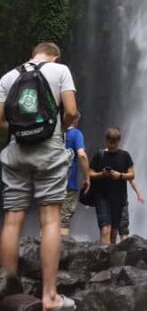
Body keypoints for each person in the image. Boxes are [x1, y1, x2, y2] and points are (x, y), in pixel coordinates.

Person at [0, 42, 78, 310]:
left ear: (33, 54)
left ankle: (8, 288)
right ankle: (50, 296)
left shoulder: (9, 77)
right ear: (55, 56)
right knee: (51, 218)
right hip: (49, 152)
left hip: (16, 151)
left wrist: (23, 130)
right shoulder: (61, 70)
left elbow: (0, 119)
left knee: (12, 218)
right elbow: (70, 111)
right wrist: (55, 129)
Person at [89, 127, 135, 245]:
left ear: (119, 141)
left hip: (118, 199)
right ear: (106, 140)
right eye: (110, 142)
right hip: (102, 198)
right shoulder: (99, 155)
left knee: (114, 232)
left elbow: (132, 175)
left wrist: (120, 175)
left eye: (115, 142)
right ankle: (104, 259)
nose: (112, 145)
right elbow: (90, 173)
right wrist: (101, 174)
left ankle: (111, 259)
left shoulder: (125, 156)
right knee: (105, 230)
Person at [61, 113, 90, 236]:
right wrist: (87, 177)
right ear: (74, 120)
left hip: (50, 183)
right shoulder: (76, 133)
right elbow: (82, 155)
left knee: (48, 219)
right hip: (68, 185)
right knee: (64, 221)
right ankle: (61, 253)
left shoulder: (53, 133)